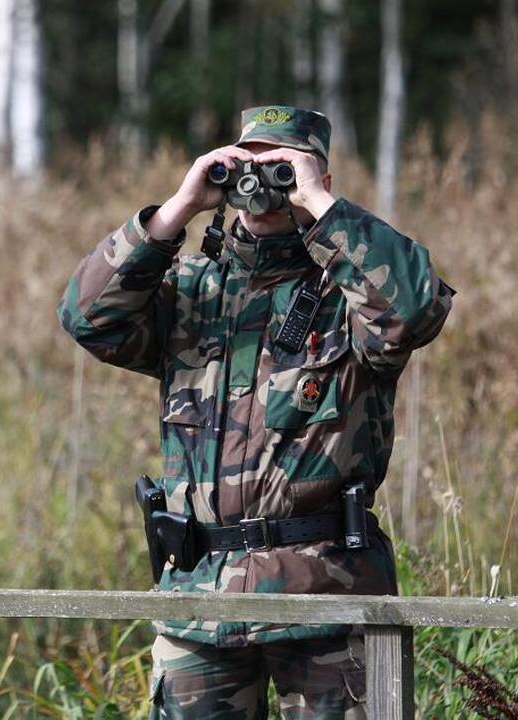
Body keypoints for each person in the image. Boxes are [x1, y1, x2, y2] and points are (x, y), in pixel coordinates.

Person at [56, 105, 455, 718]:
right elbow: (87, 318)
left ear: (316, 174)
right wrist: (177, 210)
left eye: (283, 168)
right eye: (249, 165)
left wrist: (320, 204)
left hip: (328, 603)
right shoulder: (191, 290)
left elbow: (417, 308)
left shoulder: (349, 298)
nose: (263, 184)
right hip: (199, 604)